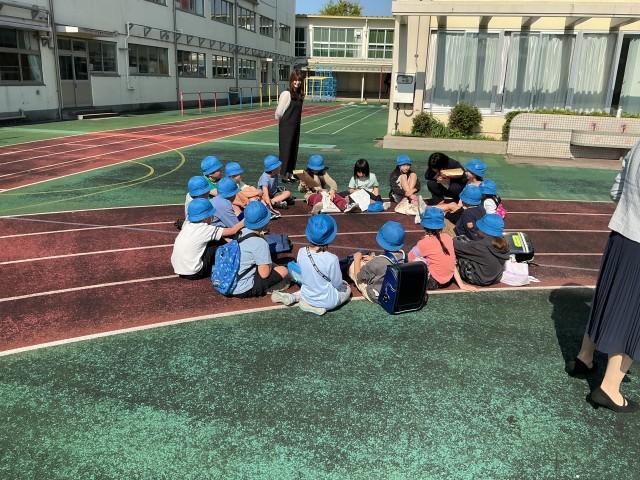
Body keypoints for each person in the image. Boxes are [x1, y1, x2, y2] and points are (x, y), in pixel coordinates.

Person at [566, 141, 640, 413]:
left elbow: (616, 190)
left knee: (606, 299)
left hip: (621, 235)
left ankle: (584, 357)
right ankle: (609, 388)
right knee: (633, 316)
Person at [271, 214, 351, 315]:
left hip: (308, 295)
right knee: (346, 289)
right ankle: (318, 307)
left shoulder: (301, 251)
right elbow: (337, 284)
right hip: (328, 301)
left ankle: (294, 297)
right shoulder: (332, 259)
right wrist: (344, 284)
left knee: (310, 287)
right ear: (330, 236)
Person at [171, 198, 242, 280]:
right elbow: (233, 230)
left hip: (179, 269)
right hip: (195, 272)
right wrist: (247, 219)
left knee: (215, 237)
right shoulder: (204, 229)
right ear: (205, 217)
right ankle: (229, 264)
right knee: (216, 242)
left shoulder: (186, 225)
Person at [409, 208, 477, 292]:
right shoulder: (448, 238)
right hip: (448, 280)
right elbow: (452, 263)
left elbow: (410, 258)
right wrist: (462, 285)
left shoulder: (423, 243)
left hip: (433, 281)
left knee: (413, 253)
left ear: (424, 226)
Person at [231, 201, 290, 297]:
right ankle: (268, 288)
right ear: (265, 222)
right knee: (283, 270)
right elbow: (264, 274)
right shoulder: (260, 243)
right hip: (241, 288)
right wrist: (270, 264)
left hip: (229, 279)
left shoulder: (241, 232)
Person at [348, 221, 406, 303]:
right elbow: (386, 262)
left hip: (379, 295)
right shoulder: (404, 256)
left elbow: (358, 276)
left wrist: (357, 259)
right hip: (397, 292)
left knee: (353, 266)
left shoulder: (377, 262)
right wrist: (373, 259)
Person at [453, 213, 510, 286]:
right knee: (464, 240)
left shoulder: (481, 246)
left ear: (483, 230)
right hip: (495, 278)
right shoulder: (504, 244)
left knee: (458, 242)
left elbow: (455, 245)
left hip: (477, 278)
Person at [276, 69, 305, 183]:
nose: (297, 82)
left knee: (294, 148)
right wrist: (284, 123)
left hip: (295, 125)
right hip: (286, 126)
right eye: (295, 80)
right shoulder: (286, 94)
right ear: (291, 80)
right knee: (286, 150)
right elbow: (279, 112)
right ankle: (283, 175)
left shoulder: (300, 95)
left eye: (299, 80)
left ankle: (290, 173)